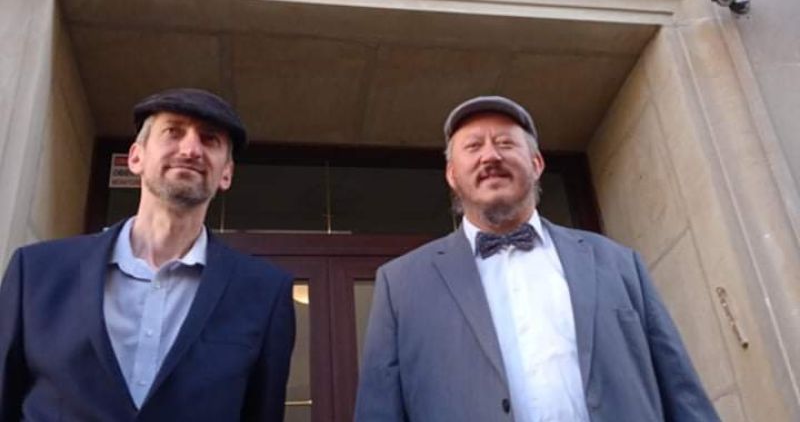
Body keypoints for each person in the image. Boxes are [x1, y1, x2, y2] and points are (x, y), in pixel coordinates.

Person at [354, 95, 720, 422]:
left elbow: (681, 392)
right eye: (473, 146)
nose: (490, 156)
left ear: (536, 163)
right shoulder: (401, 284)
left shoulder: (619, 264)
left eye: (505, 143)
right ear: (452, 174)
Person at [0, 88, 295, 421]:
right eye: (173, 132)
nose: (191, 149)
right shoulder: (36, 271)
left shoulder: (264, 294)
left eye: (209, 140)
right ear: (136, 157)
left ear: (226, 174)